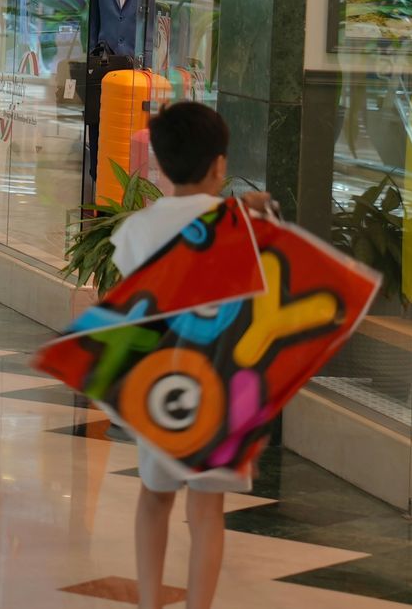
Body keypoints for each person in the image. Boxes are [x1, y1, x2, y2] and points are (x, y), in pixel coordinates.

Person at [114, 102, 277, 609]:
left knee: (154, 499)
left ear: (158, 163)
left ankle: (148, 599)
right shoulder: (238, 226)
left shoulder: (136, 231)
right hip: (223, 388)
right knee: (207, 512)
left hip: (160, 389)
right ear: (220, 165)